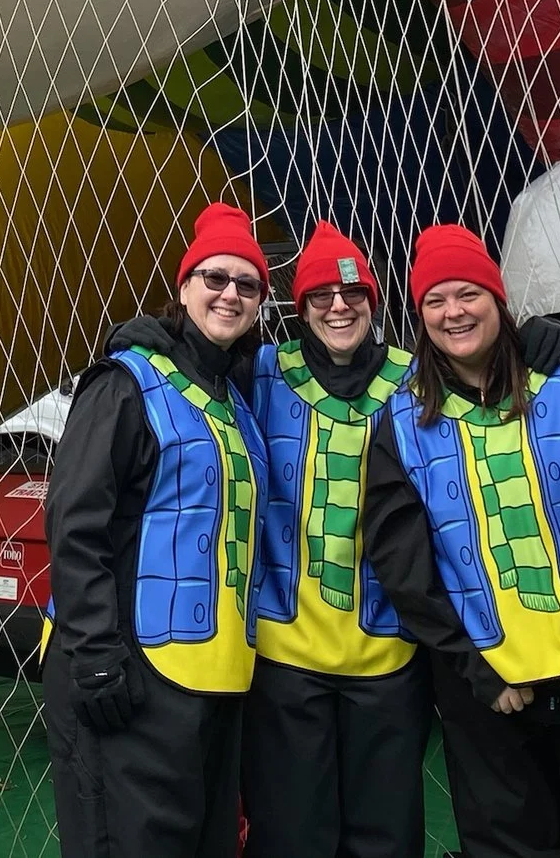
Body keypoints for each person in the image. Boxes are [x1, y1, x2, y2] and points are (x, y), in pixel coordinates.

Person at [362, 223, 560, 858]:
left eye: (468, 293)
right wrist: (476, 669)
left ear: (498, 300)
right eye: (435, 300)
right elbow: (404, 567)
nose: (454, 312)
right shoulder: (399, 422)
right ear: (419, 317)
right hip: (493, 694)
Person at [44, 200, 271, 858]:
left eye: (247, 282)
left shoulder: (236, 400)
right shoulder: (127, 382)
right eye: (215, 277)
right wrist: (94, 655)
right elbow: (75, 518)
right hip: (127, 672)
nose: (230, 293)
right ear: (184, 286)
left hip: (213, 680)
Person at [244, 222, 429, 858]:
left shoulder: (417, 380)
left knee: (387, 835)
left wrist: (547, 342)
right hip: (286, 659)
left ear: (375, 302)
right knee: (292, 835)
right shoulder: (262, 372)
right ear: (299, 307)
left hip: (390, 656)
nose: (338, 305)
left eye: (353, 292)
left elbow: (492, 370)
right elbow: (193, 358)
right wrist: (148, 340)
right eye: (320, 294)